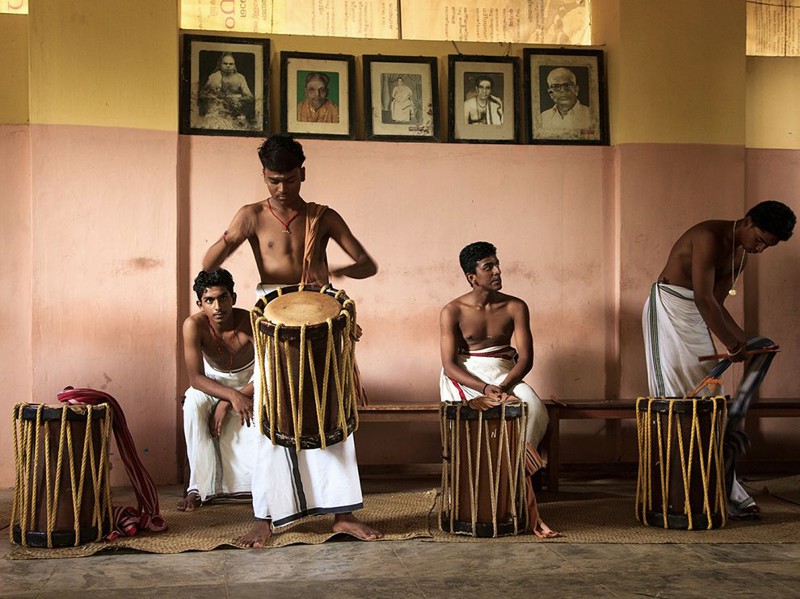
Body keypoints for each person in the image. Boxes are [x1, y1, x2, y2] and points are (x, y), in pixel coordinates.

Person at [203, 134, 381, 547]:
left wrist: (334, 271)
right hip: (273, 320)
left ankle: (342, 514)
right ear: (263, 176)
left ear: (304, 172)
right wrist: (231, 237)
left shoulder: (324, 216)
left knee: (328, 409)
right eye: (273, 180)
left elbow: (367, 264)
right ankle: (266, 516)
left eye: (289, 179)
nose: (282, 189)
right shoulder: (250, 215)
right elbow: (210, 261)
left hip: (320, 314)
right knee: (271, 415)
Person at [643, 200, 796, 518]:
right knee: (677, 402)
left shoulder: (742, 255)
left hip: (700, 316)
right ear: (749, 221)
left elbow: (718, 306)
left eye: (768, 246)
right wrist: (732, 343)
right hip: (669, 309)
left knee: (708, 399)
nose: (760, 249)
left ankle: (722, 485)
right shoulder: (709, 236)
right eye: (760, 240)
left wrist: (746, 343)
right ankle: (679, 490)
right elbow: (703, 297)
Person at [440, 241, 558, 538]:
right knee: (477, 419)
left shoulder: (516, 306)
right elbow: (450, 364)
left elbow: (526, 358)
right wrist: (485, 388)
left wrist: (504, 386)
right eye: (488, 266)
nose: (497, 270)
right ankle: (476, 492)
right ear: (471, 276)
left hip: (506, 374)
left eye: (497, 263)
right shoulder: (452, 310)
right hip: (466, 377)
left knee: (533, 406)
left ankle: (514, 476)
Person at [180, 269, 256, 511]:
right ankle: (199, 487)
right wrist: (229, 396)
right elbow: (196, 379)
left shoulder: (253, 321)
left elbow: (269, 373)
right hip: (213, 383)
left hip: (253, 380)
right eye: (209, 300)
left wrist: (234, 397)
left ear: (233, 297)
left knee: (268, 406)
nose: (217, 306)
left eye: (223, 298)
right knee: (193, 402)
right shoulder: (193, 325)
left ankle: (257, 485)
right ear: (200, 304)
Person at [198, 52, 255, 130]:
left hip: (235, 114)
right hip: (216, 113)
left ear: (234, 65)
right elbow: (202, 95)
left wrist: (235, 99)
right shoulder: (213, 77)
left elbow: (250, 97)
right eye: (225, 63)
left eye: (231, 64)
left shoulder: (240, 78)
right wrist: (214, 98)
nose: (228, 66)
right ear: (220, 64)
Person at [539, 67, 591, 132]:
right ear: (550, 93)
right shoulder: (542, 118)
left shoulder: (591, 115)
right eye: (556, 86)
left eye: (566, 85)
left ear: (576, 89)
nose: (562, 90)